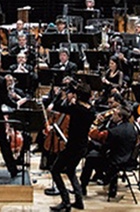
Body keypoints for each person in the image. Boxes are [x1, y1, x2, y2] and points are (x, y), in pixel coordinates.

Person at [48, 81, 95, 211]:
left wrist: (59, 96)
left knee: (55, 170)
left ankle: (66, 201)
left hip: (73, 146)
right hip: (83, 145)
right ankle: (79, 200)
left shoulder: (75, 109)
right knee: (70, 170)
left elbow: (57, 106)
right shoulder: (91, 110)